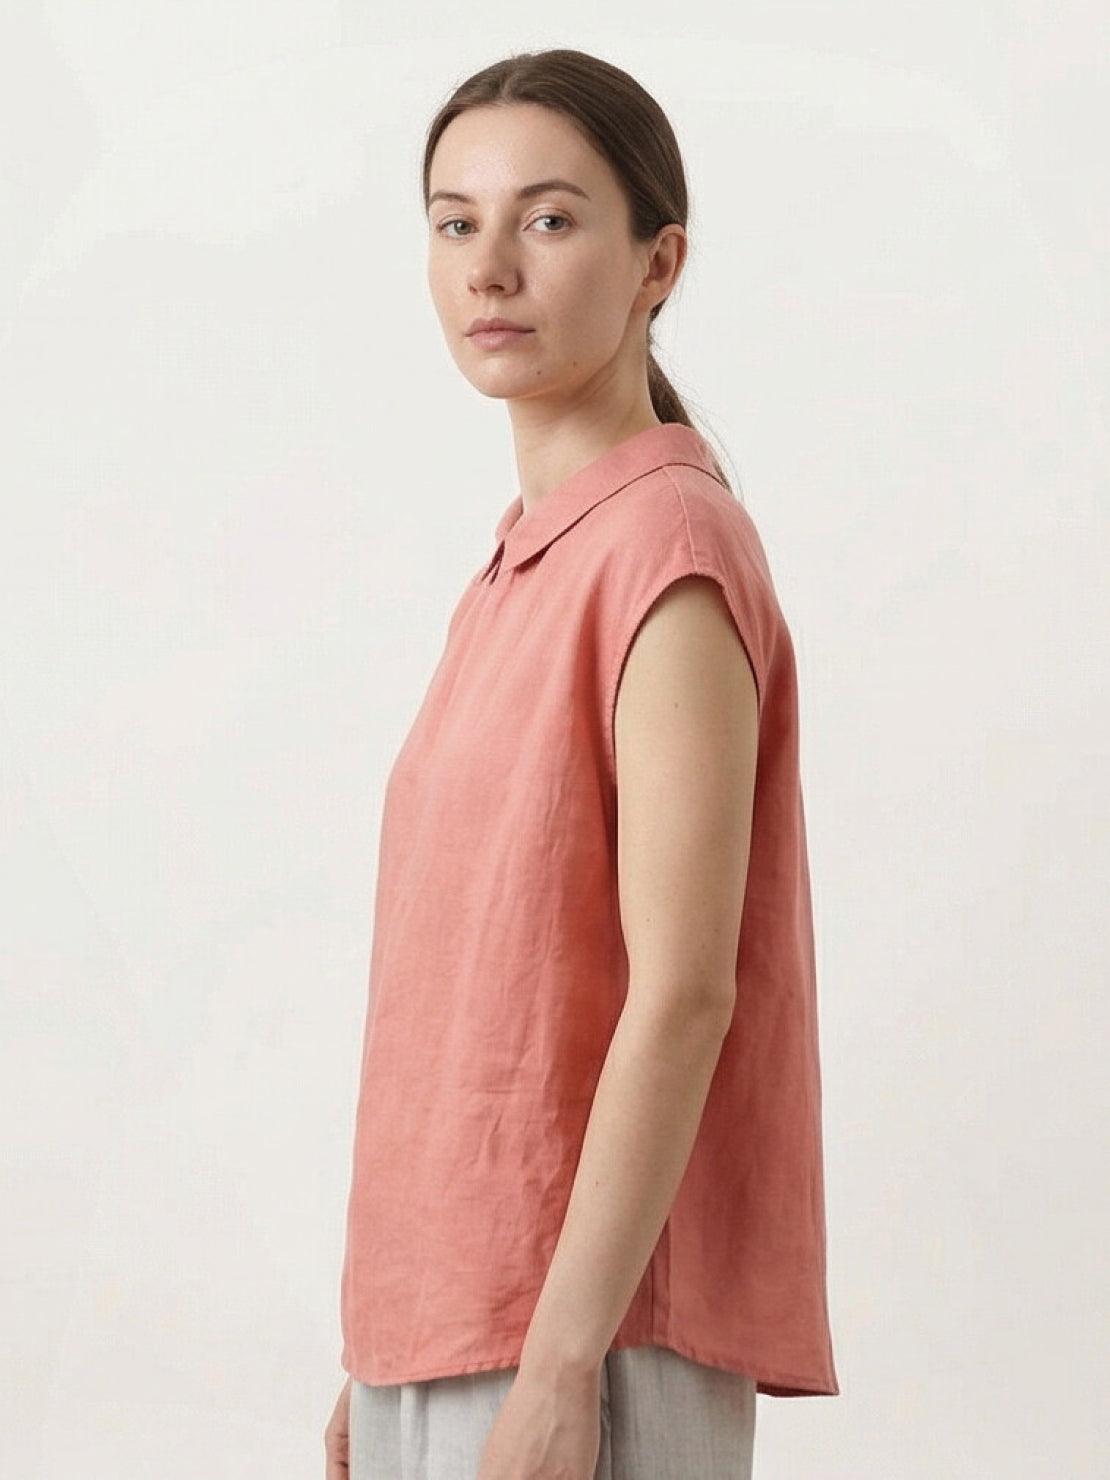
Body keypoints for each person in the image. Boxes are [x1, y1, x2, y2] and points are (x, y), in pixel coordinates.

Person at [325, 46, 839, 1480]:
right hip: (453, 1326)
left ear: (657, 262)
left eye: (547, 219)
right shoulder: (525, 561)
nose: (488, 266)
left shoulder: (664, 548)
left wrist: (555, 1375)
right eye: (454, 221)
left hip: (581, 1339)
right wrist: (382, 1354)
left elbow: (682, 990)